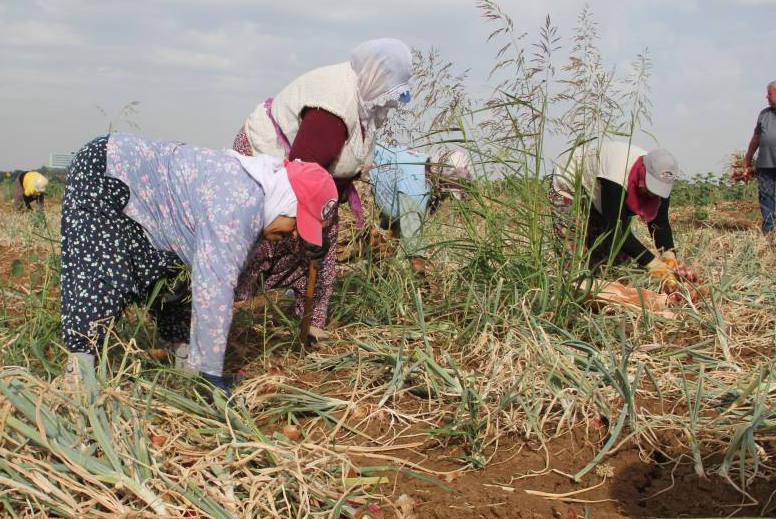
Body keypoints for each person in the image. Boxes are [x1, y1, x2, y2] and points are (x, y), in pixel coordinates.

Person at [60, 134, 337, 393]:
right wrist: (212, 378)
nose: (293, 235)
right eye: (297, 224)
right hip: (108, 173)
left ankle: (186, 367)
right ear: (287, 201)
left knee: (174, 277)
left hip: (146, 200)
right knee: (103, 274)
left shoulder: (258, 196)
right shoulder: (239, 204)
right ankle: (78, 377)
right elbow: (215, 288)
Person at [231, 39, 413, 341]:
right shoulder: (334, 105)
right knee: (262, 242)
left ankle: (310, 329)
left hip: (311, 178)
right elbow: (302, 174)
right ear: (374, 75)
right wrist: (312, 224)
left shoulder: (363, 99)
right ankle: (213, 316)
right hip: (275, 168)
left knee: (320, 251)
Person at [550, 139, 697, 291]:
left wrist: (669, 256)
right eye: (650, 187)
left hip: (600, 193)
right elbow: (615, 231)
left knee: (614, 259)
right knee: (574, 253)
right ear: (644, 173)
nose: (653, 193)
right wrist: (653, 264)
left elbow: (660, 223)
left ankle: (602, 291)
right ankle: (573, 295)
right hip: (571, 182)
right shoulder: (616, 175)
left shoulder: (662, 181)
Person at [370, 144, 472, 271]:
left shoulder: (421, 166)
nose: (445, 198)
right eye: (447, 193)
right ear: (441, 183)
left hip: (366, 159)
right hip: (356, 171)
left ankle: (377, 271)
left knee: (386, 237)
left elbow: (395, 224)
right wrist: (421, 280)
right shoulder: (415, 189)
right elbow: (414, 247)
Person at [743, 80, 776, 234]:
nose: (767, 97)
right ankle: (768, 229)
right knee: (765, 195)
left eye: (770, 94)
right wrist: (747, 158)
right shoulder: (764, 113)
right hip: (765, 163)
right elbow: (756, 138)